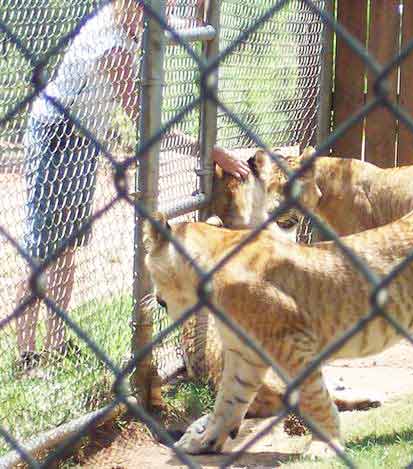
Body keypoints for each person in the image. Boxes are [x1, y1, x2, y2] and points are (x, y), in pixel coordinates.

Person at [14, 0, 249, 371]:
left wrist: (204, 11)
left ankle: (55, 346)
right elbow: (147, 123)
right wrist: (209, 149)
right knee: (43, 251)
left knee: (69, 246)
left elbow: (188, 20)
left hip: (81, 137)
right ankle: (27, 355)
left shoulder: (137, 21)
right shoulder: (112, 44)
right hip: (55, 134)